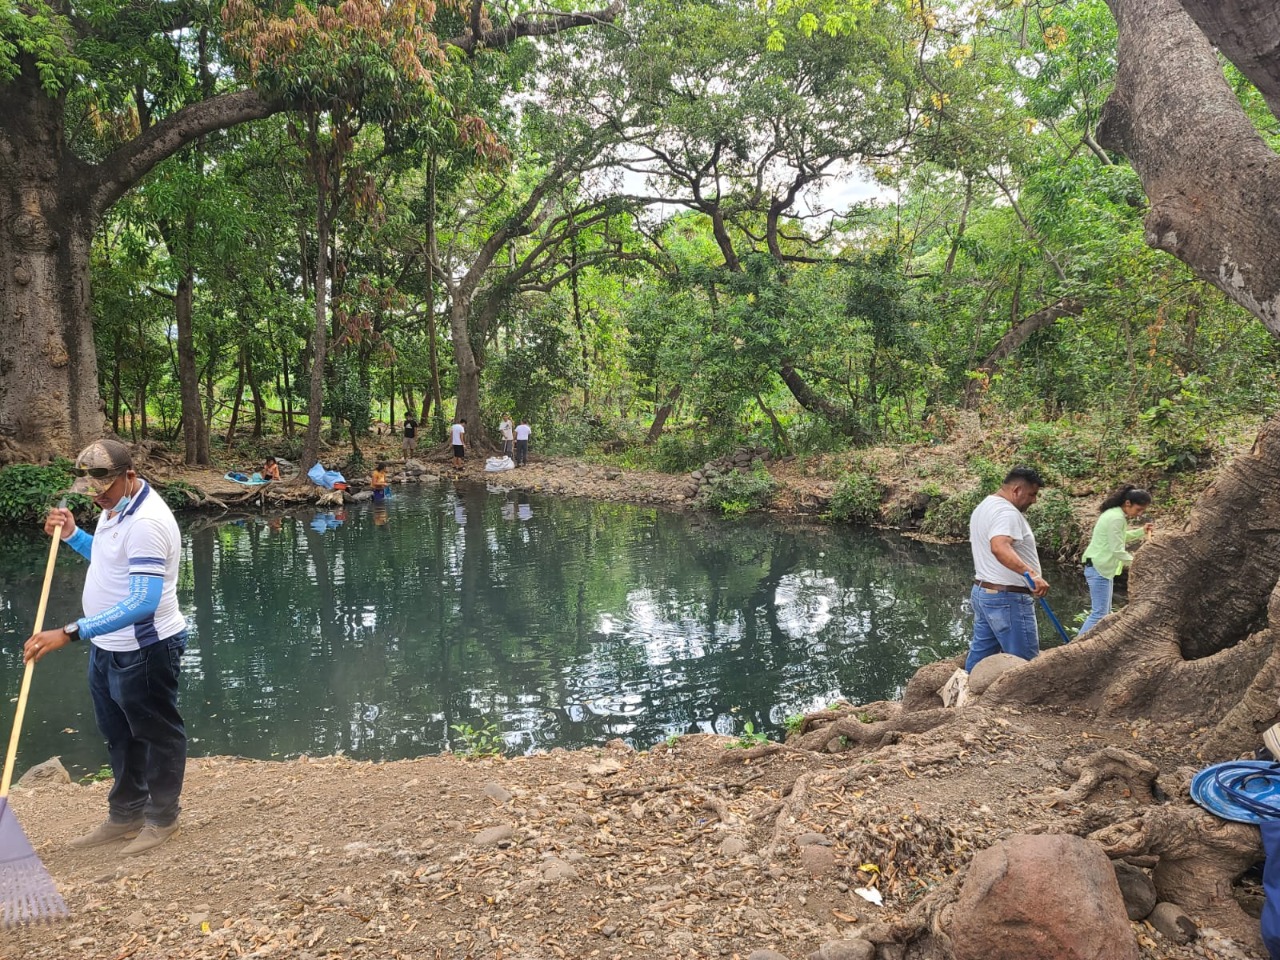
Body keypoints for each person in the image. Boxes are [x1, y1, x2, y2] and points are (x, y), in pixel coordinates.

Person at [23, 438, 188, 856]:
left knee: (155, 734)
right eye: (92, 491)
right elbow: (107, 558)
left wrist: (70, 631)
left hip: (146, 648)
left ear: (129, 477)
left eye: (105, 489)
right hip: (107, 645)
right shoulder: (116, 507)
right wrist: (73, 535)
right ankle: (126, 813)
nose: (98, 498)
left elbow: (142, 601)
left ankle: (161, 818)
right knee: (118, 734)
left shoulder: (147, 522)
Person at [965, 466, 1050, 672]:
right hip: (1007, 599)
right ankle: (1022, 703)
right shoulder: (1007, 512)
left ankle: (963, 698)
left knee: (980, 656)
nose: (1034, 500)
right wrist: (1030, 574)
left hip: (984, 593)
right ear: (1017, 490)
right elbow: (999, 546)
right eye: (1032, 494)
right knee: (1023, 663)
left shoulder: (985, 506)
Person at [1078, 485, 1153, 637]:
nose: (1140, 514)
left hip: (1100, 567)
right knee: (1100, 614)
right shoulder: (1116, 518)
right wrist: (1139, 562)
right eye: (1138, 509)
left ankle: (1083, 645)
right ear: (1127, 503)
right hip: (1099, 567)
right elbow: (1117, 550)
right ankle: (1074, 647)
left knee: (1104, 613)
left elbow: (1119, 536)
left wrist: (1141, 531)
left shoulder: (1114, 514)